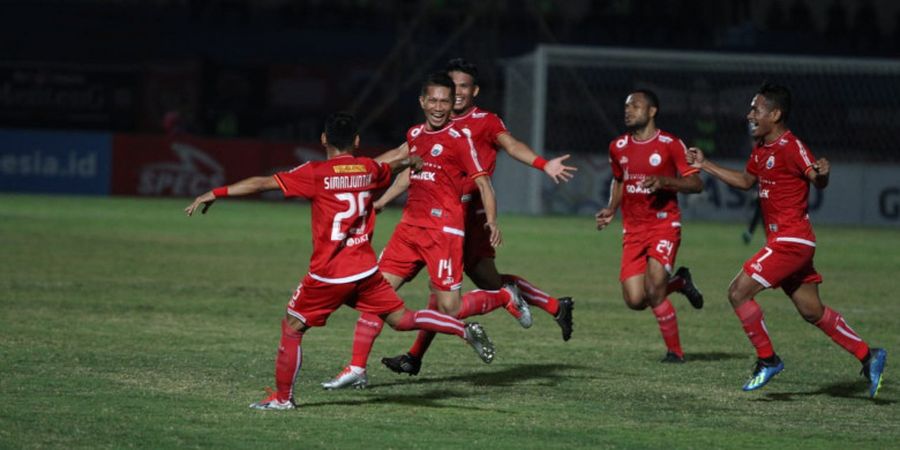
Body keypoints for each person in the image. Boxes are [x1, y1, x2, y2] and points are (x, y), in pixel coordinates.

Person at [184, 112, 496, 410]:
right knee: (401, 319)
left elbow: (261, 183)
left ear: (323, 139)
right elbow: (395, 167)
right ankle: (462, 330)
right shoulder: (368, 170)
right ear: (357, 141)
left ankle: (282, 399)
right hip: (365, 270)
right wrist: (411, 160)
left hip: (329, 274)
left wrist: (217, 192)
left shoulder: (316, 174)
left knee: (292, 327)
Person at [687, 82, 887, 396]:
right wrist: (705, 165)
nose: (749, 114)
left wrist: (823, 172)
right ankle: (868, 355)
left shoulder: (791, 146)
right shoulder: (761, 149)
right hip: (792, 243)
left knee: (738, 292)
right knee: (811, 311)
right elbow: (745, 181)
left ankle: (768, 360)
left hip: (791, 241)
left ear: (775, 114)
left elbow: (816, 179)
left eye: (756, 109)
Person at [321, 72, 514, 390]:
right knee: (375, 295)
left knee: (452, 308)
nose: (439, 107)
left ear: (453, 105)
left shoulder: (459, 138)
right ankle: (356, 368)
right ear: (422, 102)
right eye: (433, 100)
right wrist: (381, 201)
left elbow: (483, 182)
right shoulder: (415, 134)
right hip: (409, 230)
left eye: (445, 101)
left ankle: (505, 295)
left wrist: (491, 221)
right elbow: (403, 170)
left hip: (444, 232)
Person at [595, 89, 705, 363]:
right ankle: (679, 282)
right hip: (633, 230)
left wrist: (666, 181)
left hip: (663, 225)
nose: (628, 110)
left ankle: (675, 353)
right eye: (626, 106)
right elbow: (619, 179)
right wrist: (611, 207)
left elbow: (696, 183)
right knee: (635, 300)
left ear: (652, 111)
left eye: (635, 105)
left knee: (654, 290)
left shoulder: (670, 144)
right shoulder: (617, 146)